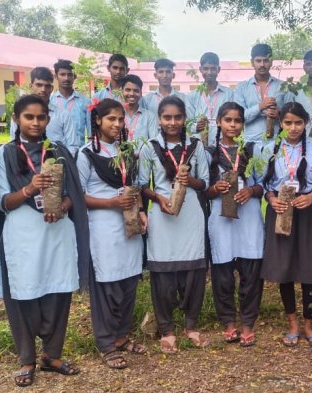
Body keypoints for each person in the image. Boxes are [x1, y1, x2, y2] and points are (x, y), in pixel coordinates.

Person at [0, 94, 89, 387]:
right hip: (23, 233)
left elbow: (74, 193)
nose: (36, 123)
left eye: (41, 117)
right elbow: (1, 201)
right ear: (16, 119)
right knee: (23, 293)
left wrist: (62, 206)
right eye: (29, 117)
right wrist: (29, 189)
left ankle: (52, 355)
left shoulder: (59, 150)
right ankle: (27, 359)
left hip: (57, 231)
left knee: (58, 290)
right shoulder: (5, 153)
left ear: (48, 119)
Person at [77, 98, 148, 369]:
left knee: (128, 281)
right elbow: (79, 195)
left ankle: (121, 337)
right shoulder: (86, 154)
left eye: (121, 119)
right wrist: (110, 203)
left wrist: (140, 212)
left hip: (128, 224)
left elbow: (134, 187)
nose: (117, 124)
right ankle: (106, 343)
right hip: (102, 227)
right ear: (98, 121)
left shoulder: (127, 151)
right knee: (107, 285)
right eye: (111, 119)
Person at [138, 96, 211, 354]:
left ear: (184, 119)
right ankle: (167, 329)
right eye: (167, 117)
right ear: (159, 119)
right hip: (162, 213)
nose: (172, 122)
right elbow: (141, 185)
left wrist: (189, 180)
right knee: (163, 272)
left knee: (193, 270)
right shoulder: (150, 147)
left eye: (177, 117)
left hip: (190, 212)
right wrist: (157, 198)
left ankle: (191, 326)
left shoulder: (195, 147)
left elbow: (205, 182)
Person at [261, 102, 312, 348]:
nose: (293, 128)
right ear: (281, 123)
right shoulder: (270, 148)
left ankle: (309, 325)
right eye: (288, 123)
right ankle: (292, 324)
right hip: (281, 210)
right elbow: (264, 183)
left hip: (308, 210)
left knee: (310, 268)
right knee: (285, 269)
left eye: (298, 123)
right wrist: (272, 199)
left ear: (306, 123)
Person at [205, 102, 265, 347]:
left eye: (237, 120)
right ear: (219, 122)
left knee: (251, 272)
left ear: (243, 124)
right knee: (223, 275)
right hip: (221, 219)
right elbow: (204, 190)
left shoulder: (252, 149)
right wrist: (215, 188)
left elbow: (264, 185)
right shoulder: (209, 153)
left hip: (249, 218)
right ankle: (229, 322)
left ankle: (248, 322)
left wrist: (250, 190)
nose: (233, 125)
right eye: (227, 120)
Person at [235, 44, 288, 142]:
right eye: (258, 61)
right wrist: (260, 106)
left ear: (271, 62)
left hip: (277, 142)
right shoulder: (242, 88)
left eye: (266, 60)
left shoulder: (283, 87)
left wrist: (279, 114)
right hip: (251, 142)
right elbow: (239, 118)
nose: (262, 64)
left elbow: (291, 116)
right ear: (252, 62)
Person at [186, 52, 236, 145]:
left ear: (218, 69)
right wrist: (196, 126)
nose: (209, 72)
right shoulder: (192, 96)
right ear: (200, 69)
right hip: (199, 144)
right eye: (206, 68)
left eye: (213, 69)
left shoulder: (229, 94)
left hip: (223, 143)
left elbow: (233, 118)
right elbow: (187, 123)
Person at [46, 59, 90, 154]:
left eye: (70, 74)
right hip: (54, 154)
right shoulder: (50, 102)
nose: (66, 78)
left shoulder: (85, 102)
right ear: (56, 76)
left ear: (74, 77)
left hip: (79, 154)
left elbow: (90, 133)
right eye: (62, 74)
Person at [9, 67, 54, 139]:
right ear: (31, 86)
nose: (43, 89)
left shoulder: (63, 115)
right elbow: (14, 139)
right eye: (39, 85)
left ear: (52, 89)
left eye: (47, 86)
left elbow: (72, 146)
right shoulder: (20, 112)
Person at [120, 74, 159, 142]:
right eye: (128, 90)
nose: (132, 94)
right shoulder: (117, 115)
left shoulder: (149, 116)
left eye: (136, 90)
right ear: (122, 91)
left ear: (141, 93)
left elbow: (154, 142)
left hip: (144, 153)